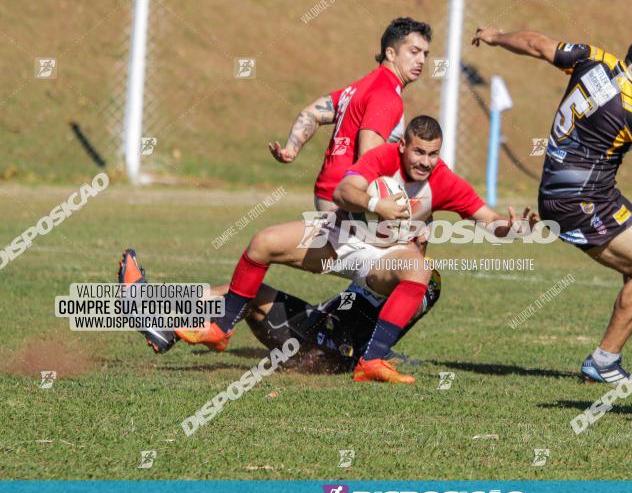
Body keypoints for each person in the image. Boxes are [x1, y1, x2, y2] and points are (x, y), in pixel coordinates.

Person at [176, 116, 540, 383]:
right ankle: (214, 327)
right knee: (263, 242)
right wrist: (377, 204)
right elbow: (342, 193)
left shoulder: (441, 185)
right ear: (403, 146)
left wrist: (514, 228)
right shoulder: (382, 157)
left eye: (432, 154)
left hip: (380, 261)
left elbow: (489, 219)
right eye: (418, 152)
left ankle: (373, 361)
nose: (425, 162)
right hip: (343, 238)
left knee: (419, 270)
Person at [471, 26, 632, 384]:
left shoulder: (594, 58)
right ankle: (603, 360)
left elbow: (537, 42)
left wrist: (496, 35)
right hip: (577, 201)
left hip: (587, 191)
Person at [117, 249, 440, 373]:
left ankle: (148, 302)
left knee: (251, 293)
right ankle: (161, 320)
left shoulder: (421, 277)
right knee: (246, 294)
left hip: (329, 346)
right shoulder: (387, 257)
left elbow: (386, 316)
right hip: (323, 330)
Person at [268, 17, 432, 211]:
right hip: (349, 200)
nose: (421, 60)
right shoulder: (386, 95)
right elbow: (369, 156)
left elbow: (311, 113)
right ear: (390, 53)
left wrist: (291, 149)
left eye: (425, 54)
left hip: (328, 191)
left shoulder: (360, 87)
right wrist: (381, 203)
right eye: (414, 52)